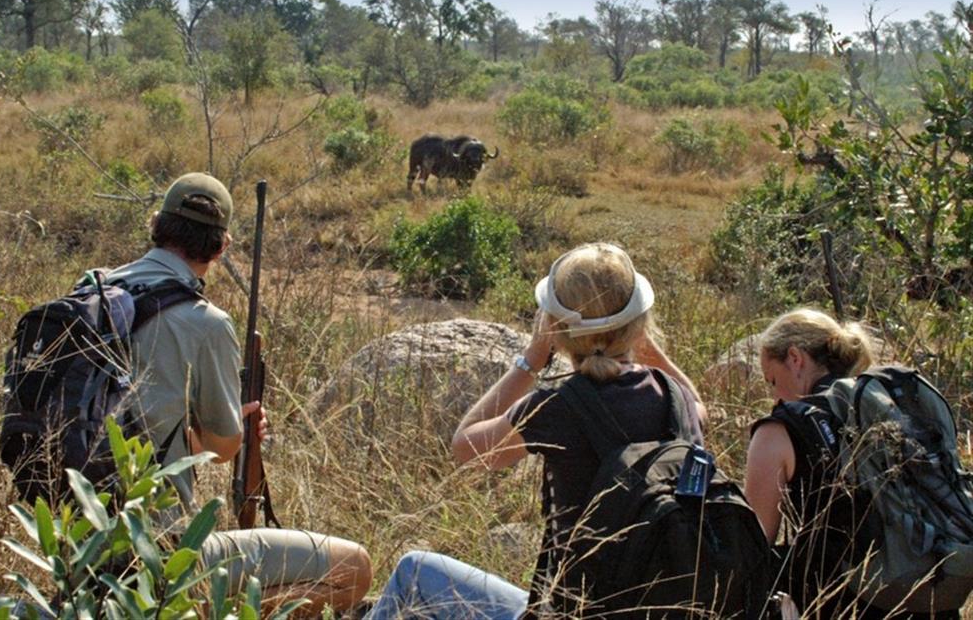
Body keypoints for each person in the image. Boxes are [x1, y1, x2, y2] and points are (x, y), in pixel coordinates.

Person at [364, 242, 706, 619]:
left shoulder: (557, 406)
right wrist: (639, 341)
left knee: (413, 572)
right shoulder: (676, 401)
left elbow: (465, 448)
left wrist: (531, 358)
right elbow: (696, 402)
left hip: (572, 614)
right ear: (638, 322)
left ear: (555, 327)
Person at [107, 172, 372, 615]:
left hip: (74, 541)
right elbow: (224, 446)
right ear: (221, 246)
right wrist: (238, 426)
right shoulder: (205, 322)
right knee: (354, 567)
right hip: (157, 553)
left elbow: (132, 431)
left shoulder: (91, 292)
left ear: (155, 225)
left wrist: (183, 432)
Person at [744, 308, 960, 619]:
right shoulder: (894, 404)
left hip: (844, 607)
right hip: (932, 597)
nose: (775, 397)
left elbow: (752, 548)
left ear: (795, 358)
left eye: (772, 380)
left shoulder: (778, 431)